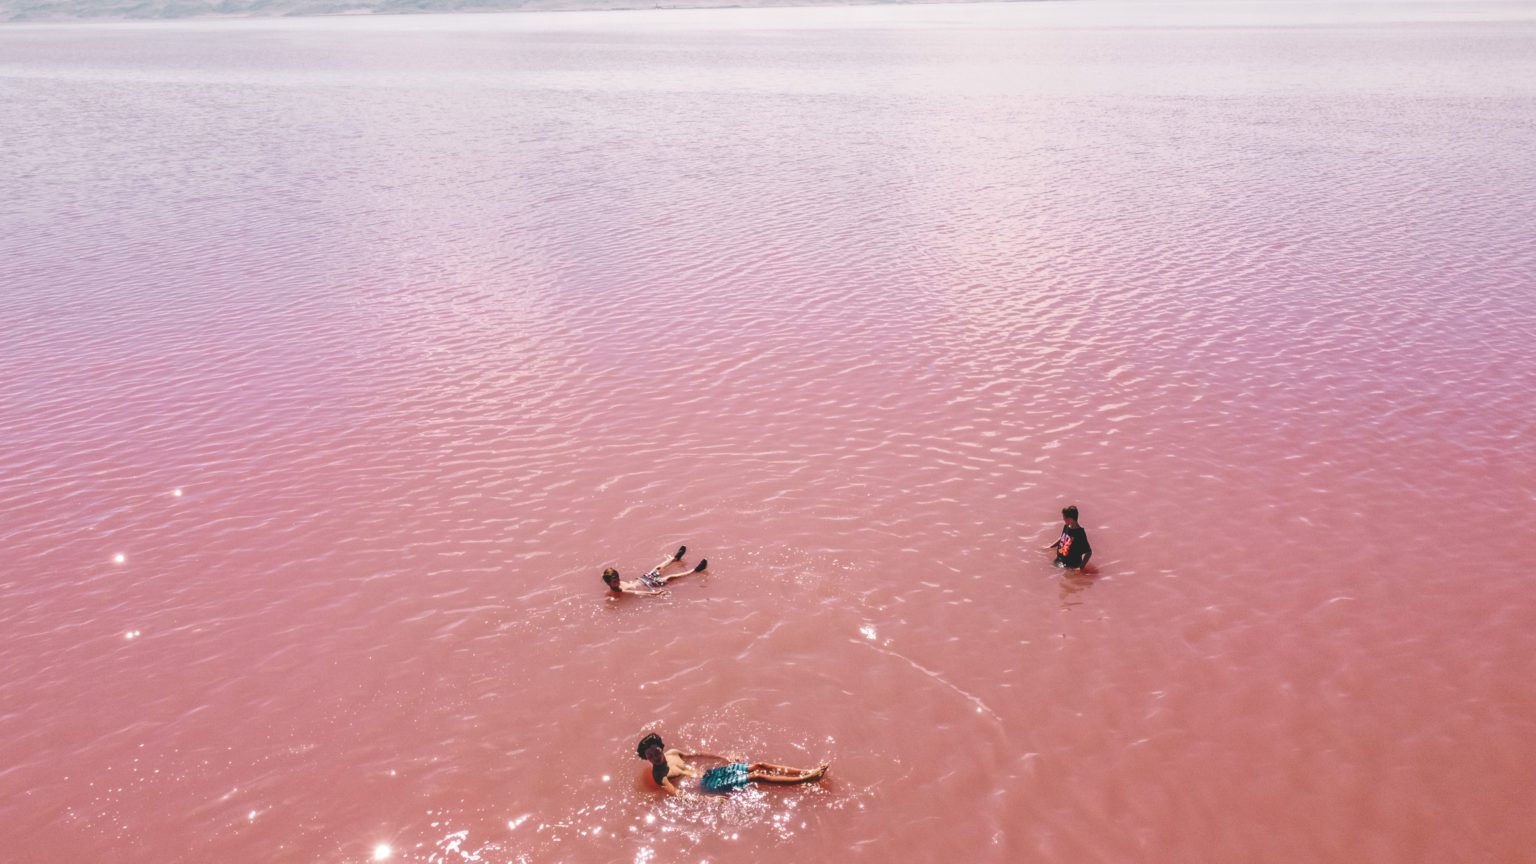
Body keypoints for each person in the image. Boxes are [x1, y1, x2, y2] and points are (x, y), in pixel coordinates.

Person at [636, 733, 828, 796]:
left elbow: (699, 755)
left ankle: (807, 771)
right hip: (706, 785)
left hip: (711, 774)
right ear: (646, 759)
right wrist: (707, 800)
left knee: (760, 765)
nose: (655, 756)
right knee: (757, 776)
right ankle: (808, 779)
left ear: (662, 748)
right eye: (650, 756)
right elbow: (678, 795)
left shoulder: (673, 753)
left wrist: (724, 757)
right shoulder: (659, 777)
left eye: (656, 751)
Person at [603, 546, 707, 596]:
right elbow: (637, 592)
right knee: (670, 578)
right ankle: (695, 570)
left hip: (643, 578)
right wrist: (655, 594)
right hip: (650, 584)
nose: (617, 580)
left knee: (658, 568)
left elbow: (632, 584)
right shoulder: (619, 591)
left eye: (617, 578)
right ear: (609, 583)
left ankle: (675, 558)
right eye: (614, 580)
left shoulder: (618, 583)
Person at [1042, 505, 1093, 571]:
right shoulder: (1066, 526)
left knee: (1067, 579)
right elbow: (1062, 537)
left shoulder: (1080, 533)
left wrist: (1081, 568)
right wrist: (1050, 547)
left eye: (1065, 518)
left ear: (1071, 519)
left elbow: (1088, 552)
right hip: (1060, 560)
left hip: (1071, 566)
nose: (1063, 519)